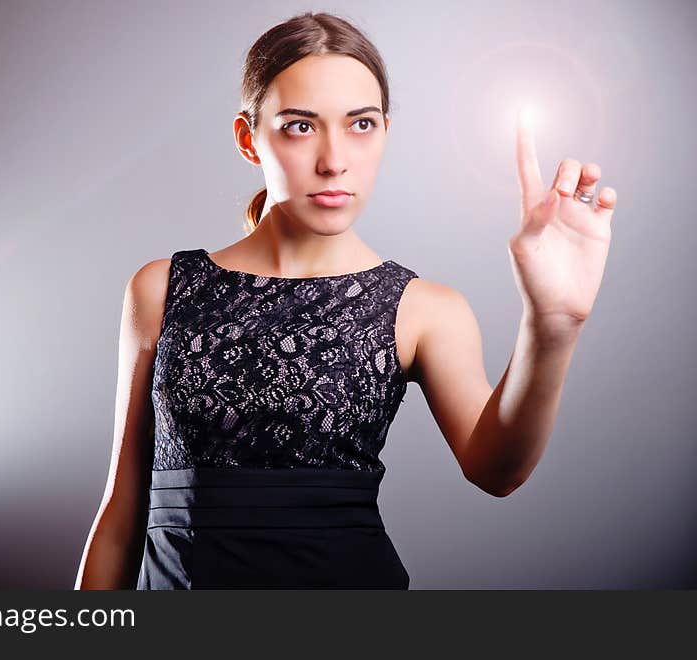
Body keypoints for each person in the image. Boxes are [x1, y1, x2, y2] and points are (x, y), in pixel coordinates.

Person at [75, 11, 616, 590]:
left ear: (385, 131)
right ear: (247, 138)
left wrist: (552, 323)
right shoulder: (161, 288)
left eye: (360, 124)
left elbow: (497, 471)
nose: (334, 160)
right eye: (300, 126)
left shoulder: (423, 309)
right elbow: (121, 512)